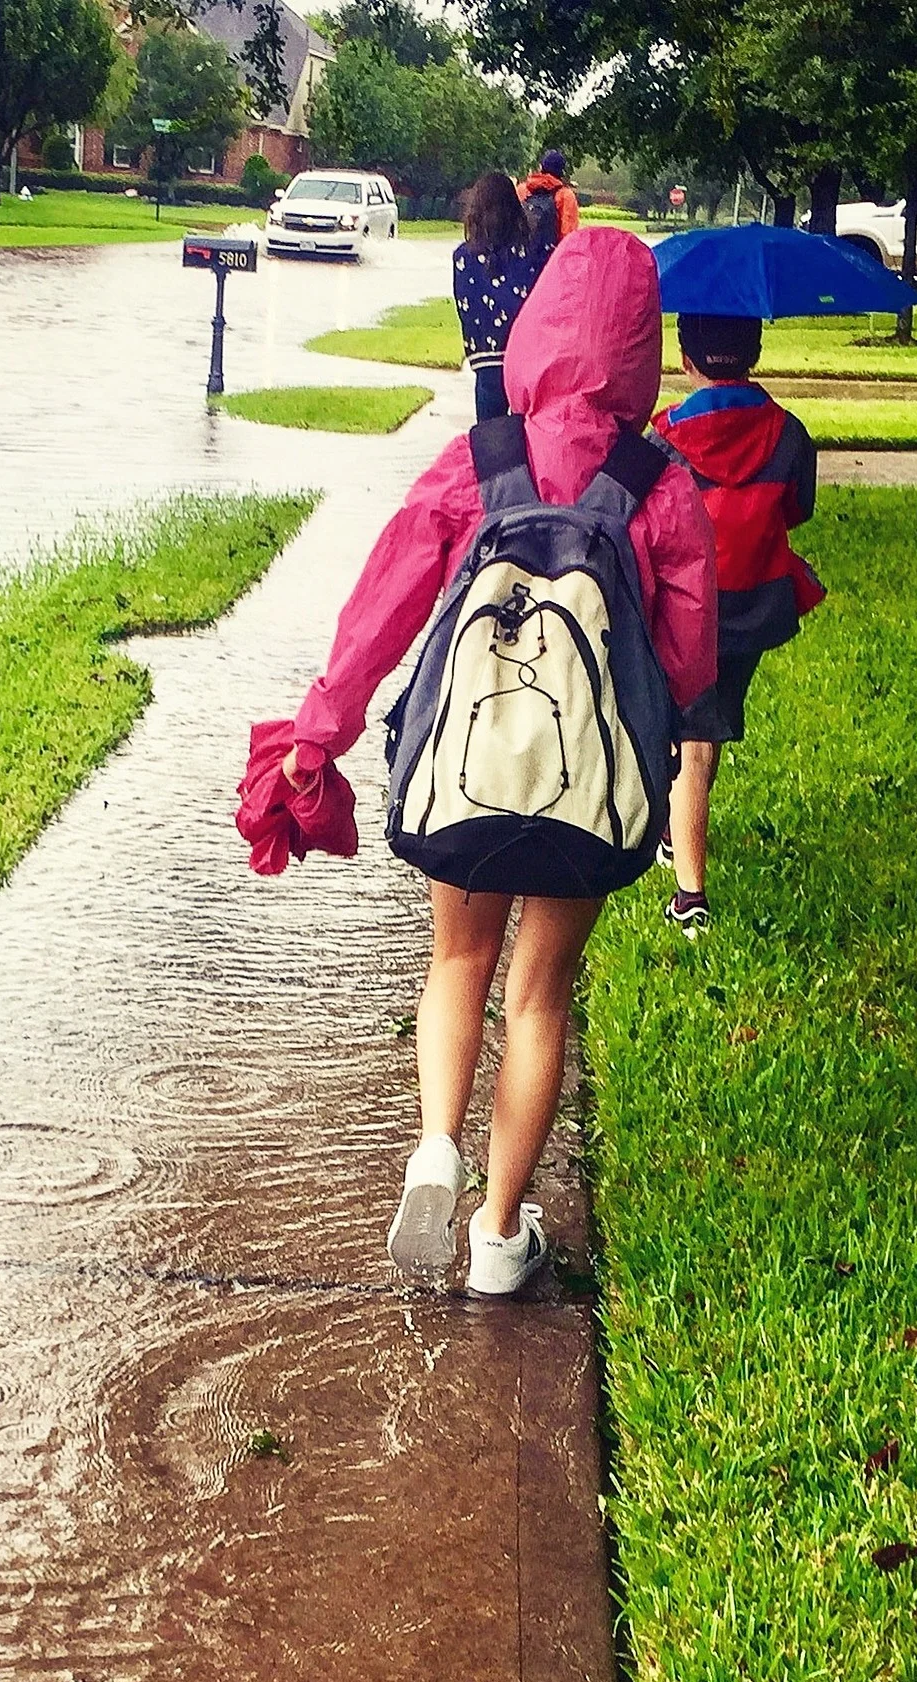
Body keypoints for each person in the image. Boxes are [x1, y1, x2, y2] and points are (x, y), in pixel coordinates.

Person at [280, 229, 716, 1296]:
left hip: (466, 769)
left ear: (535, 328)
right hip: (585, 786)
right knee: (538, 997)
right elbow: (691, 659)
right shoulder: (659, 481)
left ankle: (436, 1142)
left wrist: (319, 729)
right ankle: (499, 1234)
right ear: (640, 346)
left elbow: (383, 602)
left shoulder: (476, 460)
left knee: (456, 964)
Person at [650, 312, 823, 938]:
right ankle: (676, 829)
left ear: (684, 357)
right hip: (755, 605)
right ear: (755, 351)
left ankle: (689, 897)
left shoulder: (664, 438)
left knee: (693, 739)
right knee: (711, 723)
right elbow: (798, 508)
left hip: (688, 608)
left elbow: (649, 519)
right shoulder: (789, 433)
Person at [452, 170, 549, 425]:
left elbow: (466, 310)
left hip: (487, 361)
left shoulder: (464, 257)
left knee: (490, 436)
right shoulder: (536, 253)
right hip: (527, 359)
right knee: (530, 434)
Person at [517, 148, 580, 251]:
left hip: (524, 253)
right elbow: (568, 234)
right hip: (551, 255)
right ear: (561, 171)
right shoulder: (565, 195)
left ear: (541, 167)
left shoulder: (522, 189)